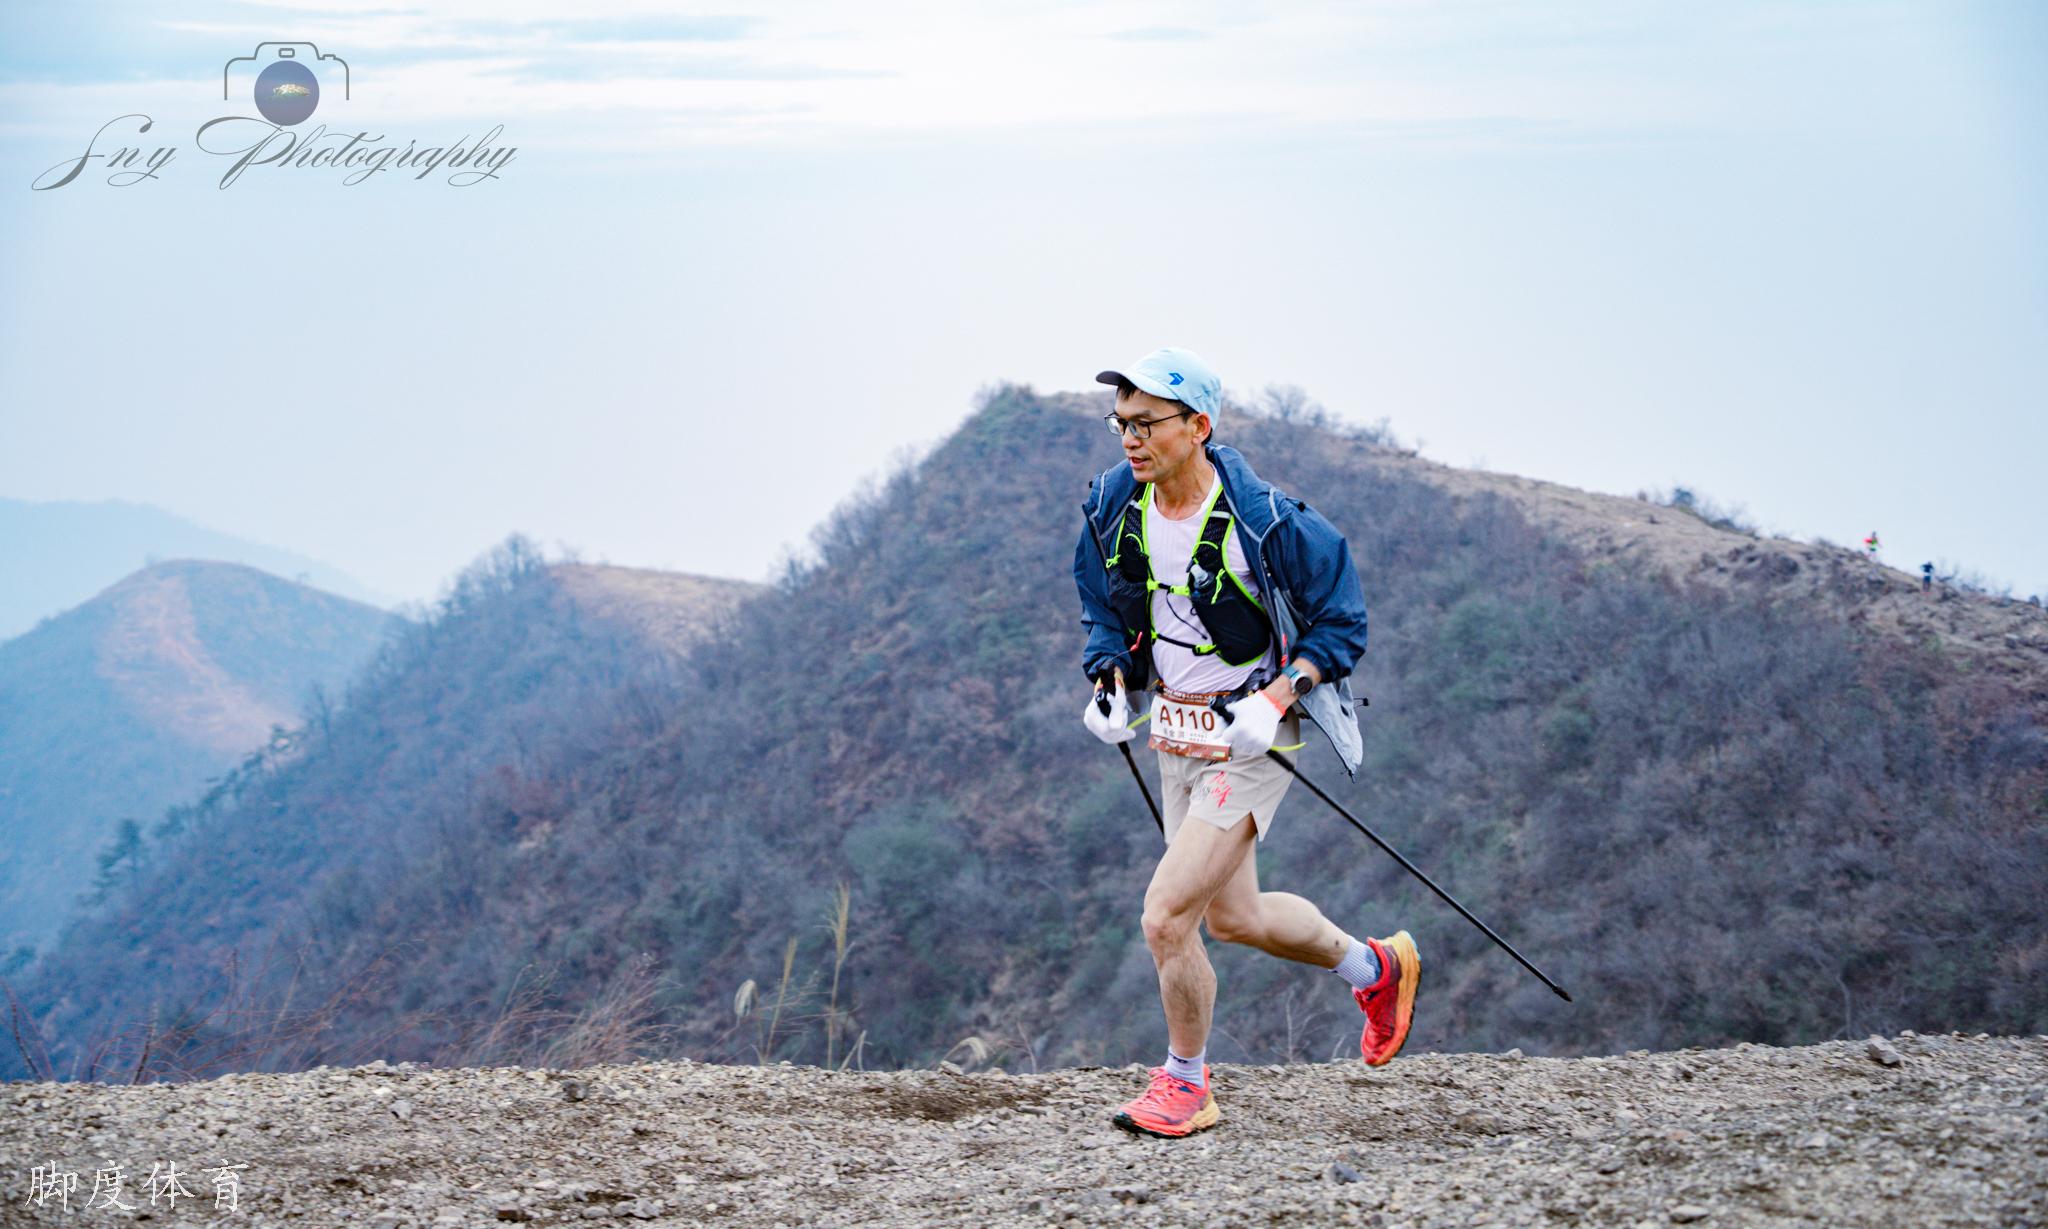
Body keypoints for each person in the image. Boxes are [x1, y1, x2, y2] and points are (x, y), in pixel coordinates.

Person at [1071, 345, 1419, 1140]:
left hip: (1253, 737)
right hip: (1175, 733)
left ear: (1198, 426)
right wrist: (1109, 678)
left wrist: (1279, 695)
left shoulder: (1268, 521)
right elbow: (1102, 605)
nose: (1130, 439)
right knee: (1235, 916)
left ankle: (1185, 1082)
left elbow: (1342, 620)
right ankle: (1377, 968)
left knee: (1167, 917)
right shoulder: (1112, 507)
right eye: (1121, 423)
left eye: (1146, 423)